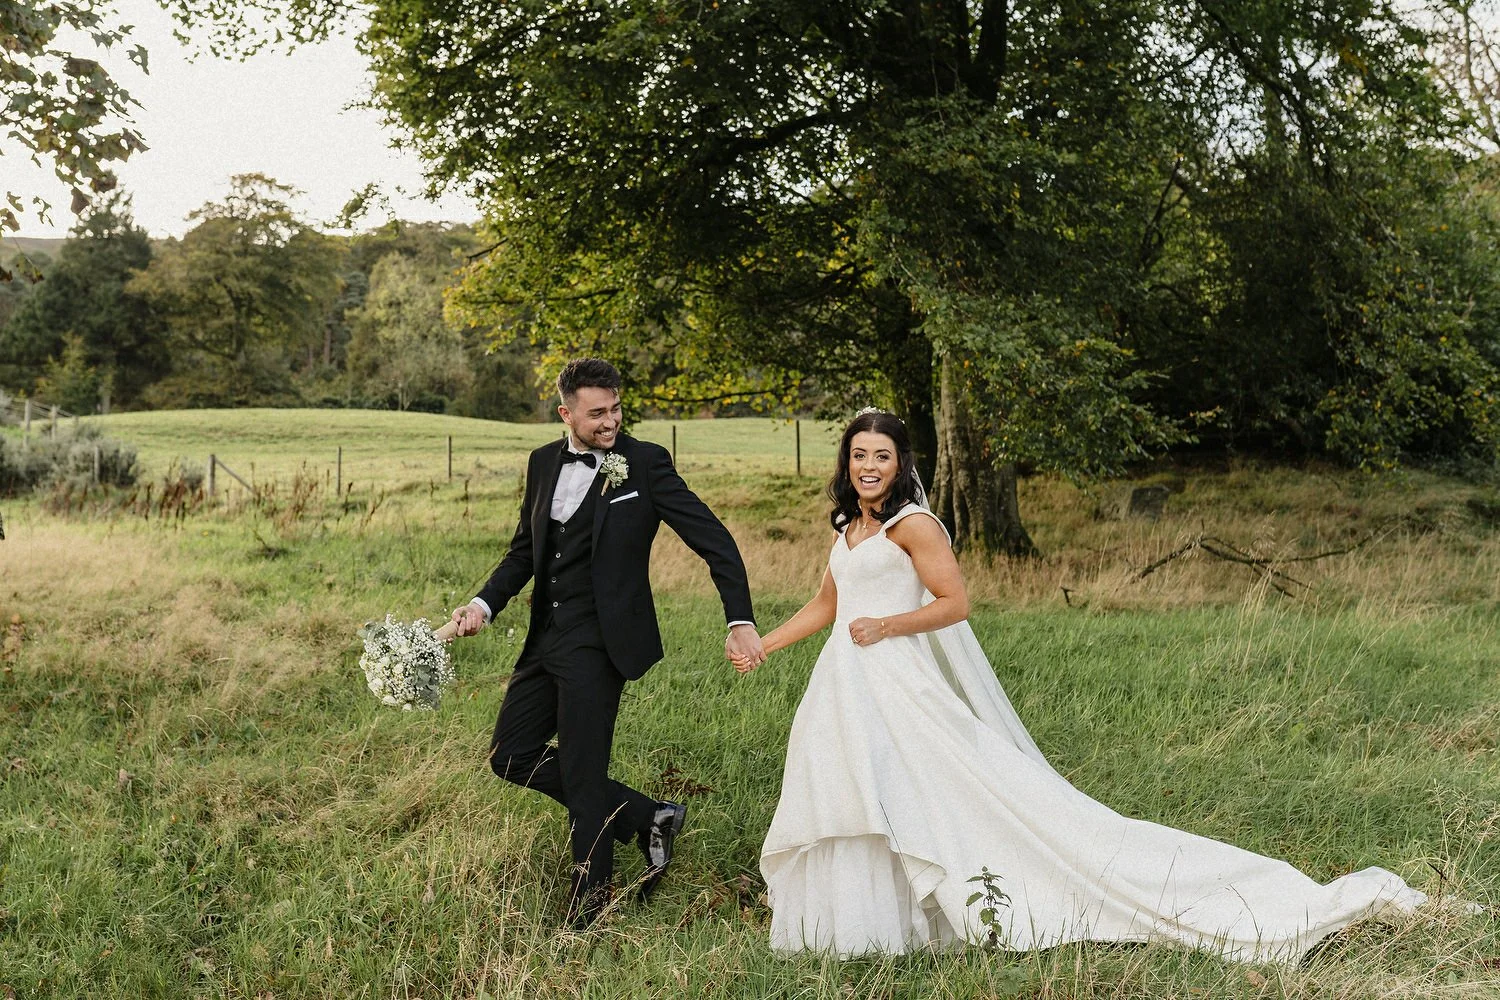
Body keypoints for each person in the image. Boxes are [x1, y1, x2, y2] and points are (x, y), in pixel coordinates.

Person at [731, 409, 1425, 961]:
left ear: (902, 463)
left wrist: (889, 624)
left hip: (898, 680)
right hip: (844, 685)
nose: (869, 466)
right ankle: (864, 924)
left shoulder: (915, 526)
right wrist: (765, 642)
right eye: (859, 455)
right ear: (846, 462)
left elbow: (956, 603)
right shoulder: (848, 528)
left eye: (881, 456)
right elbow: (827, 604)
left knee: (938, 791)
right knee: (854, 790)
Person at [452, 358, 765, 927]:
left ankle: (589, 909)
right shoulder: (542, 462)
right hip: (545, 637)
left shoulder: (644, 463)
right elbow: (524, 552)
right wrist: (482, 605)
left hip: (602, 641)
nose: (610, 421)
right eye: (597, 412)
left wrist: (738, 618)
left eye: (616, 408)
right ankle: (648, 817)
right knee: (509, 755)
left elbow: (714, 539)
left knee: (582, 769)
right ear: (565, 413)